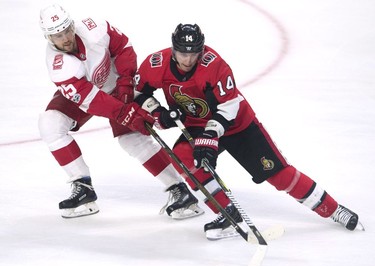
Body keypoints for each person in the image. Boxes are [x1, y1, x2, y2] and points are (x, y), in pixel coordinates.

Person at [133, 23, 364, 240]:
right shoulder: (156, 63)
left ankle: (333, 209)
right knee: (184, 156)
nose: (188, 59)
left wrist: (210, 137)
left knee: (279, 175)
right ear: (174, 50)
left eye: (194, 53)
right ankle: (228, 214)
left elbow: (230, 105)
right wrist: (158, 112)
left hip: (236, 124)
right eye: (183, 53)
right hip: (195, 123)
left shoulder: (214, 65)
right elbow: (138, 91)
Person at [38, 5, 204, 219]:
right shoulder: (58, 65)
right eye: (58, 35)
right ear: (49, 38)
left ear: (72, 25)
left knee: (132, 140)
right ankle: (83, 187)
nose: (66, 38)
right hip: (90, 95)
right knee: (50, 124)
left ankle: (179, 191)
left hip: (117, 85)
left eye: (67, 30)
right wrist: (124, 113)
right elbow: (92, 100)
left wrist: (125, 83)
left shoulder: (94, 27)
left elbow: (123, 47)